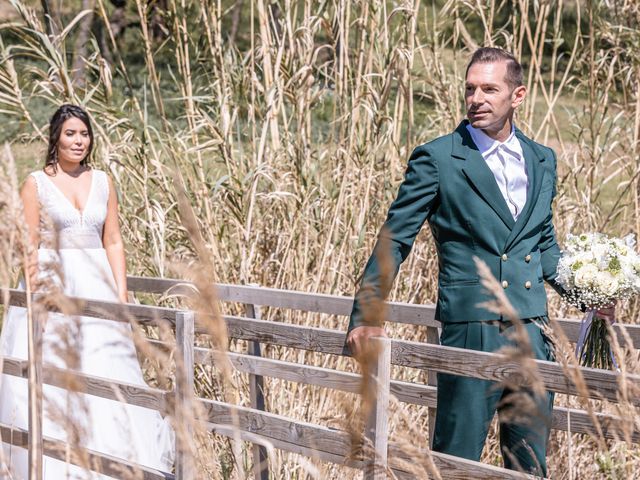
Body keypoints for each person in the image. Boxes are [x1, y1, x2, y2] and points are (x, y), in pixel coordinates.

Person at [346, 48, 614, 475]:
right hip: (471, 329)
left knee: (528, 465)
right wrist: (366, 314)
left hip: (533, 331)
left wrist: (589, 297)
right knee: (457, 459)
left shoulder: (542, 159)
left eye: (490, 88)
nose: (477, 98)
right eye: (470, 88)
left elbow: (544, 247)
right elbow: (394, 239)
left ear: (518, 95)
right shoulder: (437, 158)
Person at [0, 104, 174, 478]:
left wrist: (121, 294)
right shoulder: (36, 182)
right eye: (70, 134)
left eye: (84, 134)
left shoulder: (103, 182)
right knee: (55, 378)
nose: (79, 141)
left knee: (108, 371)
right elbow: (27, 246)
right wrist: (36, 300)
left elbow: (113, 240)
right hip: (54, 286)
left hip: (98, 289)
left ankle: (113, 464)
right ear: (56, 138)